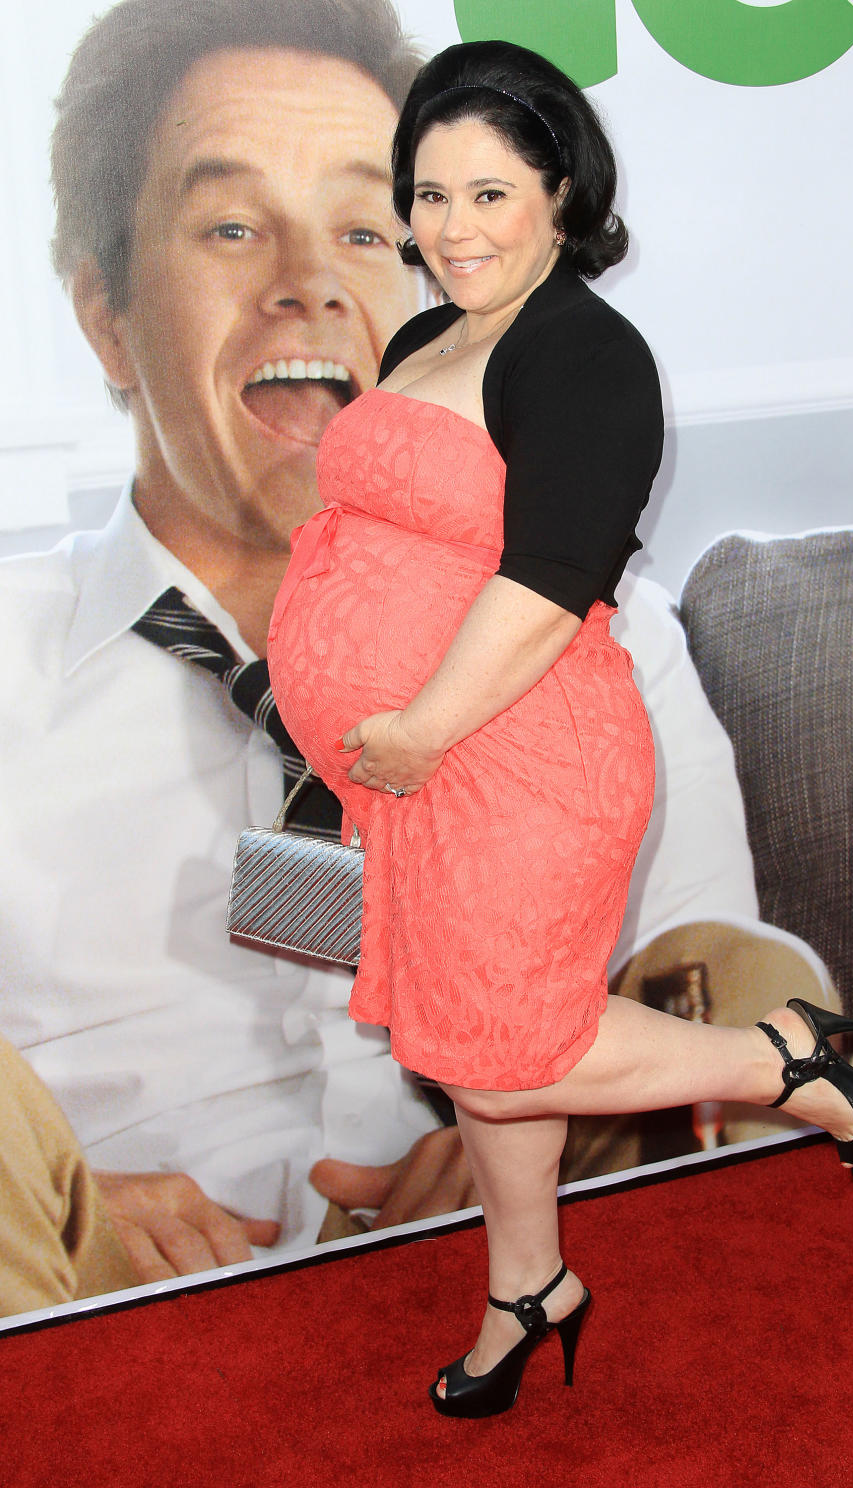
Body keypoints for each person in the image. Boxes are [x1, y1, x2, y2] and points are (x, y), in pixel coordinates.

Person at [267, 39, 853, 1417]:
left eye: (489, 194)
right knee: (476, 1059)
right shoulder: (429, 333)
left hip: (519, 761)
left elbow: (554, 579)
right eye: (429, 196)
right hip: (421, 776)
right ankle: (529, 1288)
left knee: (518, 1045)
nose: (451, 228)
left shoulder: (589, 356)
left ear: (561, 189)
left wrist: (426, 726)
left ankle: (781, 1064)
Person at [0, 0, 457, 1298]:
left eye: (365, 230)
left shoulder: (579, 626)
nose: (310, 279)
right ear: (106, 317)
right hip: (101, 1327)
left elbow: (723, 971)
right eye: (234, 226)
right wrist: (65, 1204)